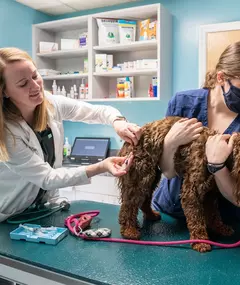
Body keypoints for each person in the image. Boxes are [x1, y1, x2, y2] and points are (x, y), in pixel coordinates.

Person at [0, 47, 141, 222]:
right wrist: (101, 166)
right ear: (4, 91)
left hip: (45, 208)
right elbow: (47, 178)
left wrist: (118, 122)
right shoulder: (7, 132)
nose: (35, 86)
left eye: (35, 76)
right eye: (23, 84)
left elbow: (96, 112)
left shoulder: (51, 103)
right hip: (11, 214)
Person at [152, 40, 240, 229]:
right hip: (172, 215)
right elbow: (168, 172)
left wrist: (218, 166)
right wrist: (170, 143)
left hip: (227, 224)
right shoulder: (183, 103)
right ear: (221, 77)